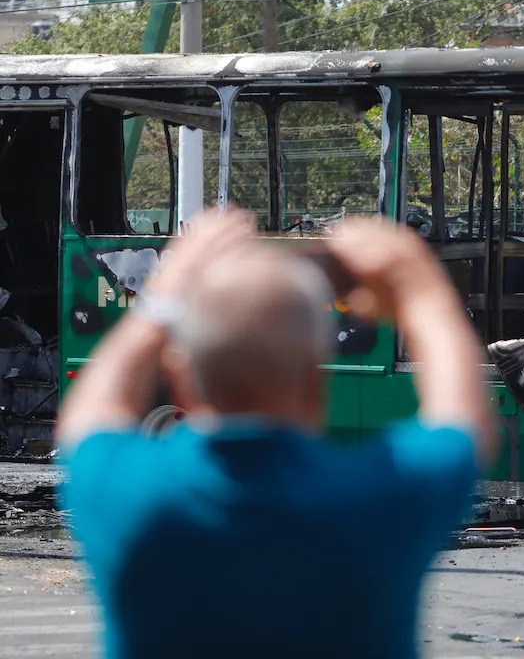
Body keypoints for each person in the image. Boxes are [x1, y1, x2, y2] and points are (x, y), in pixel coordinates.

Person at [55, 207, 494, 658]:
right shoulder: (383, 494)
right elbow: (462, 418)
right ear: (314, 377)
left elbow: (91, 412)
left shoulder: (124, 494)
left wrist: (163, 295)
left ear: (182, 378)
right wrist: (419, 287)